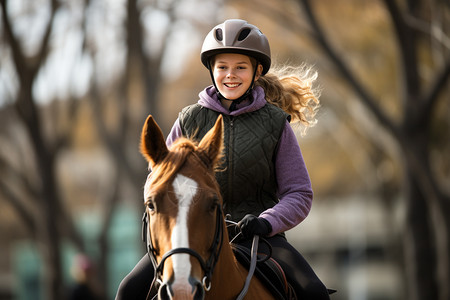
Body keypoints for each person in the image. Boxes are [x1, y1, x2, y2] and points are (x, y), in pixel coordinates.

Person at [116, 19, 330, 300]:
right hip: (190, 236)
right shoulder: (188, 119)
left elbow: (299, 193)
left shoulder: (277, 124)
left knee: (314, 293)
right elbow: (157, 181)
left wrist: (267, 222)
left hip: (260, 237)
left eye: (240, 67)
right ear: (212, 70)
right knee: (127, 290)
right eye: (222, 67)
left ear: (257, 71)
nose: (231, 75)